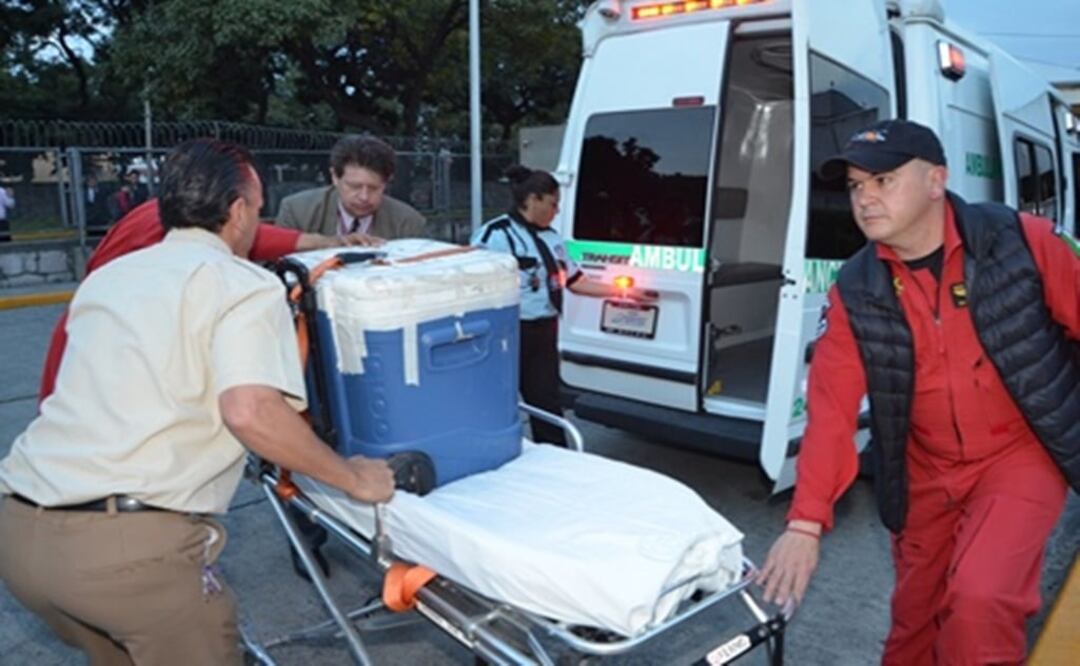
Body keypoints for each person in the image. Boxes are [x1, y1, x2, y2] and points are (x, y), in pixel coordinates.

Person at [0, 138, 395, 665]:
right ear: (237, 211)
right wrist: (354, 479)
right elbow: (250, 411)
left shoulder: (106, 280)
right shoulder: (242, 285)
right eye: (256, 210)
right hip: (128, 553)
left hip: (21, 536)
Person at [756, 120, 1079, 665]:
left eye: (883, 180)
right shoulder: (857, 287)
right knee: (914, 624)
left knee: (980, 601)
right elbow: (831, 411)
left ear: (936, 181)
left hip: (1019, 453)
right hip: (923, 469)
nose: (865, 199)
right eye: (857, 186)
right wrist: (806, 522)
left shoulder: (1024, 243)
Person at [38, 197, 378, 404]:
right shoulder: (165, 219)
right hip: (97, 361)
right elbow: (256, 237)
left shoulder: (157, 222)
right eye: (251, 206)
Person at [472, 165, 655, 445]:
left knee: (546, 399)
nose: (557, 211)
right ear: (533, 199)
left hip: (544, 330)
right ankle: (498, 451)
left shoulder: (554, 240)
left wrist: (625, 293)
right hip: (508, 332)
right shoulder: (496, 236)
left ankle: (555, 454)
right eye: (553, 203)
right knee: (499, 399)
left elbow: (576, 281)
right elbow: (476, 286)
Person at [276, 134, 426, 242]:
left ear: (386, 182)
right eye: (354, 186)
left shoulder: (408, 222)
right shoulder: (297, 211)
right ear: (335, 177)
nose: (364, 197)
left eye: (374, 188)